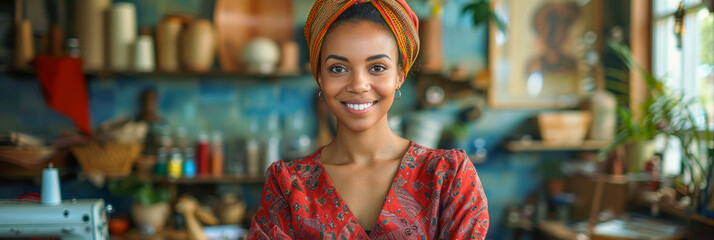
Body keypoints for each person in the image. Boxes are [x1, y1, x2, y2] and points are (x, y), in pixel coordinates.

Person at [247, 0, 488, 239]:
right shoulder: (289, 187)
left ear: (400, 74)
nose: (358, 85)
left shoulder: (448, 178)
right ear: (319, 77)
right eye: (338, 68)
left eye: (377, 67)